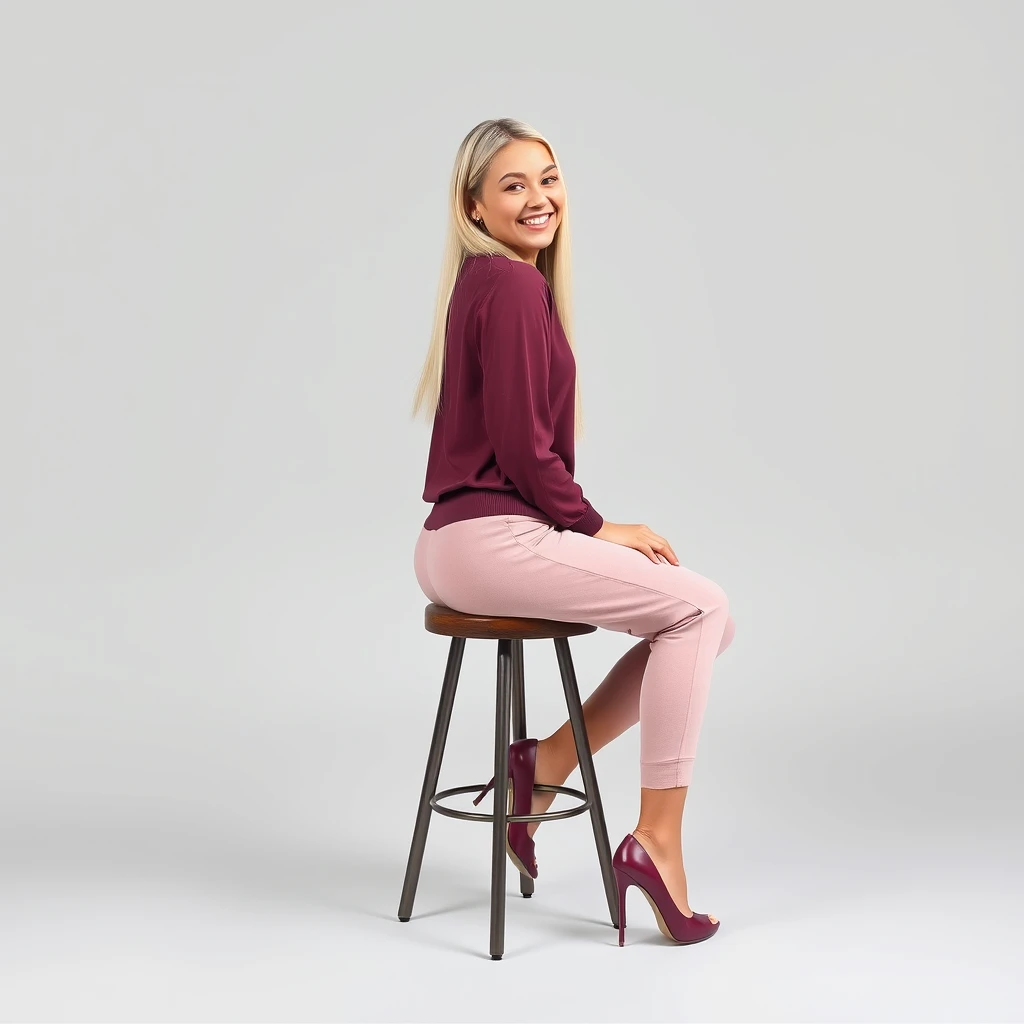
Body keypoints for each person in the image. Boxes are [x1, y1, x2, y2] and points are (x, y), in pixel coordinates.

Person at [410, 118, 735, 946]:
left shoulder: (491, 284)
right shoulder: (512, 287)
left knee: (704, 616)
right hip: (492, 538)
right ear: (474, 205)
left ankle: (545, 765)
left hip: (460, 544)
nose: (538, 197)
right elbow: (523, 449)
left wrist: (582, 527)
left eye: (548, 178)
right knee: (700, 611)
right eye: (513, 184)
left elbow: (515, 445)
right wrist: (597, 526)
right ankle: (654, 841)